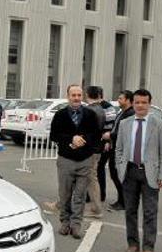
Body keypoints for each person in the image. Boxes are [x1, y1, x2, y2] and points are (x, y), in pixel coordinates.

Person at [115, 89, 162, 252]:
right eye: (137, 102)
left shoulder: (159, 124)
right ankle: (132, 243)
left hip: (150, 173)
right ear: (133, 103)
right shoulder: (125, 123)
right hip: (129, 171)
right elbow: (119, 149)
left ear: (149, 104)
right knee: (130, 210)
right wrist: (119, 168)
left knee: (150, 211)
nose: (140, 105)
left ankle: (148, 246)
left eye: (144, 102)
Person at [48, 84, 100, 239]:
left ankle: (76, 225)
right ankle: (65, 222)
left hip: (85, 160)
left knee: (80, 195)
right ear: (68, 96)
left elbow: (96, 135)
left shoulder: (90, 115)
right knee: (65, 194)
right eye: (73, 95)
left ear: (82, 96)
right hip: (65, 160)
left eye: (79, 95)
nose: (76, 98)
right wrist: (71, 139)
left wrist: (82, 140)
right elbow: (54, 136)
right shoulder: (60, 115)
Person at [106, 90, 134, 211]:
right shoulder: (122, 112)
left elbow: (125, 133)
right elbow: (115, 127)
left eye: (121, 98)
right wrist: (109, 141)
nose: (118, 100)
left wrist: (110, 136)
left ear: (128, 100)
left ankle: (124, 202)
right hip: (115, 147)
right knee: (115, 174)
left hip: (122, 151)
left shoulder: (130, 114)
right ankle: (122, 200)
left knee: (119, 175)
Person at [83, 86, 106, 219]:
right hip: (96, 148)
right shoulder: (101, 109)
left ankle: (97, 208)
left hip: (89, 149)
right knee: (90, 177)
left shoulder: (89, 110)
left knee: (91, 178)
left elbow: (84, 131)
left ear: (87, 95)